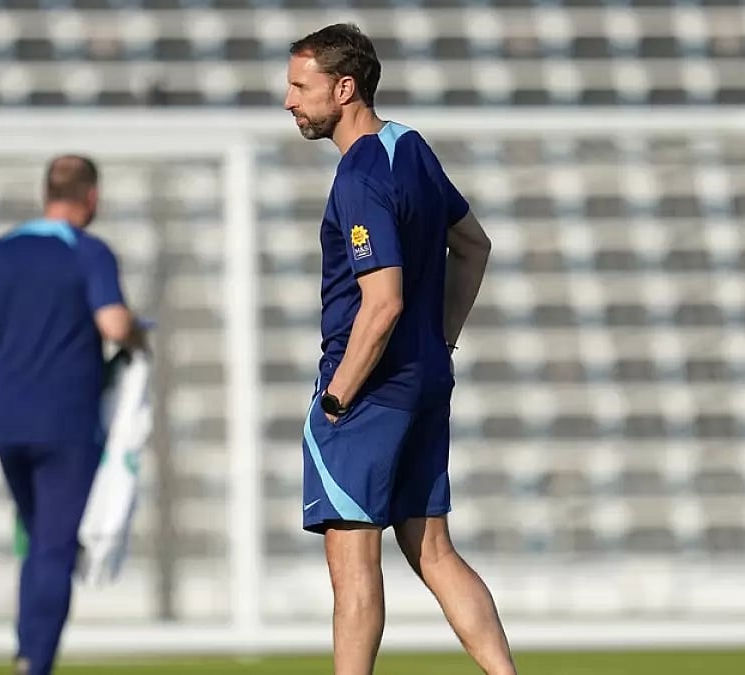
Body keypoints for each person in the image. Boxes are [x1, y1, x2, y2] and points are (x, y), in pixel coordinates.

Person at [284, 24, 518, 675]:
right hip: (425, 381)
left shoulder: (359, 177)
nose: (289, 100)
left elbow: (381, 302)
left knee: (353, 569)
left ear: (344, 87)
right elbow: (474, 244)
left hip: (368, 394)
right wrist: (443, 337)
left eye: (300, 86)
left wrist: (337, 397)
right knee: (434, 551)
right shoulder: (409, 146)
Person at [0, 155, 145, 675]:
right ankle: (34, 663)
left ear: (46, 192)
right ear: (91, 197)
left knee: (37, 541)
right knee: (54, 548)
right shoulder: (88, 252)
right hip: (65, 424)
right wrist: (140, 335)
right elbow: (114, 324)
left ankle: (25, 651)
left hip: (8, 424)